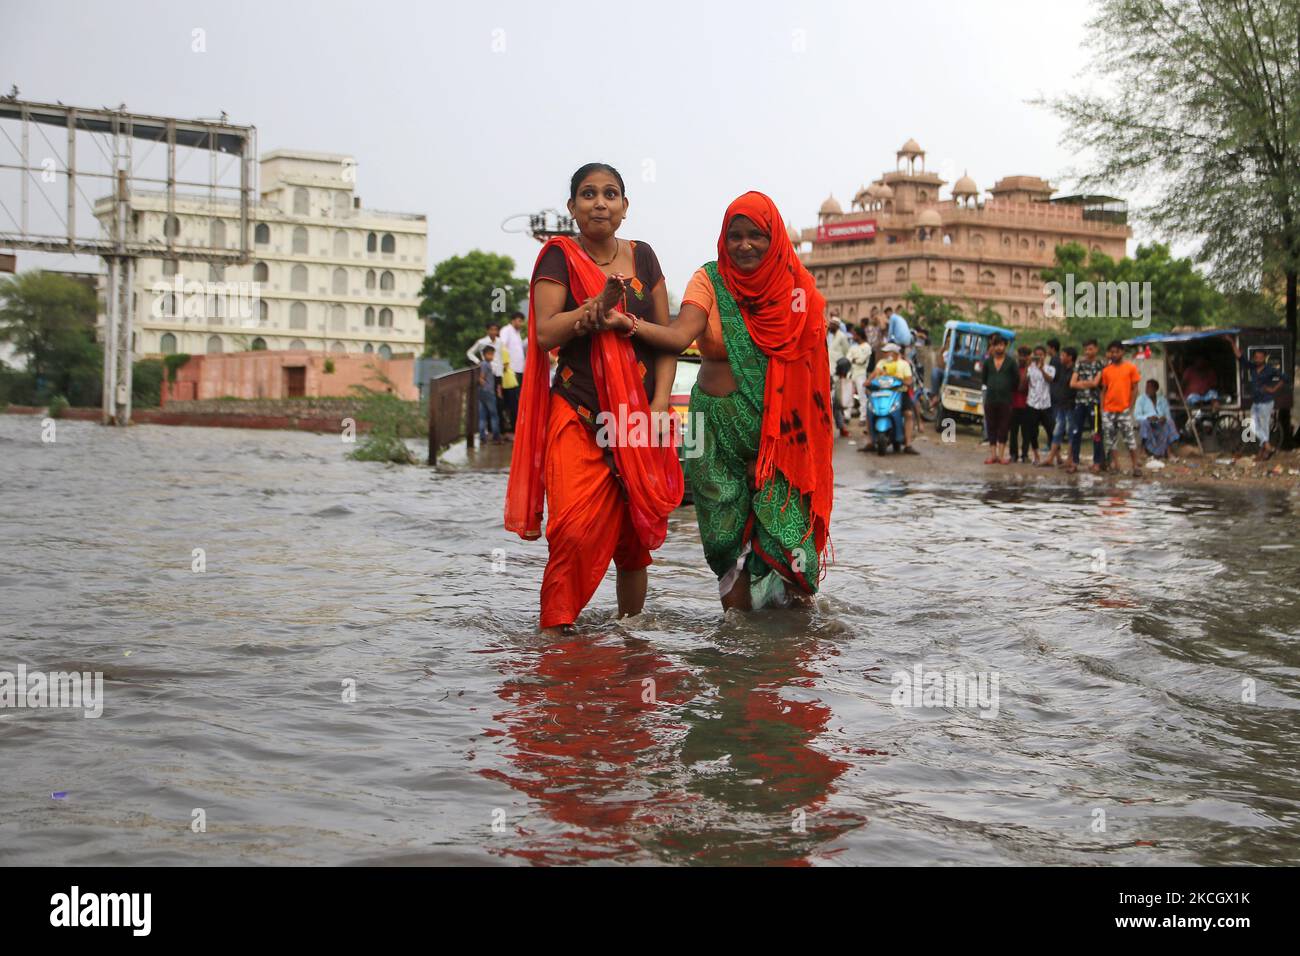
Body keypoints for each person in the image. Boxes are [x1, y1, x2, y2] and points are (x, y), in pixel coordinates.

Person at [602, 191, 833, 610]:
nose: (744, 245)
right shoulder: (709, 278)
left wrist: (771, 450)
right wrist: (626, 323)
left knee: (787, 538)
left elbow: (809, 382)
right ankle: (737, 636)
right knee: (721, 535)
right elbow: (677, 335)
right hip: (706, 427)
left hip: (777, 436)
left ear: (775, 239)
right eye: (735, 236)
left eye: (756, 236)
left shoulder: (799, 294)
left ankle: (797, 644)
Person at [504, 162, 682, 631]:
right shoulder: (558, 257)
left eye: (609, 194)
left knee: (633, 539)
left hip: (638, 419)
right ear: (572, 208)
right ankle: (558, 639)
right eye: (587, 194)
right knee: (572, 532)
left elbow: (666, 339)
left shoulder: (644, 257)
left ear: (625, 207)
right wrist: (595, 307)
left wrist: (660, 406)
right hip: (579, 414)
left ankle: (630, 636)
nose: (599, 202)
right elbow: (545, 333)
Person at [1227, 335, 1285, 461]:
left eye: (1260, 357)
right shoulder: (1252, 367)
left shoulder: (1270, 369)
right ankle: (1267, 446)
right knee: (1253, 426)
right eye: (1256, 357)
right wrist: (1232, 342)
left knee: (1263, 428)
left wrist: (1273, 389)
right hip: (1256, 402)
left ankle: (1263, 453)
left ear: (1264, 358)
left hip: (1266, 402)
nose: (1257, 359)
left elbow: (1284, 378)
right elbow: (1240, 357)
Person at [1099, 339, 1143, 476]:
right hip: (1108, 409)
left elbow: (1135, 388)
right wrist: (1102, 408)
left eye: (1117, 352)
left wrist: (1131, 405)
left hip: (1123, 409)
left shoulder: (1130, 368)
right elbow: (1103, 390)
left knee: (1129, 438)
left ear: (1122, 352)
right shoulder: (1106, 371)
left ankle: (1135, 466)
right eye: (1112, 352)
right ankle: (1115, 465)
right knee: (1110, 439)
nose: (1114, 354)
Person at [870, 342, 919, 454]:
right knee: (870, 410)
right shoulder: (881, 363)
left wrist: (900, 380)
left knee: (908, 414)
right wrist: (868, 381)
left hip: (900, 393)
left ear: (895, 353)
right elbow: (873, 375)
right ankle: (870, 441)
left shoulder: (904, 364)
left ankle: (908, 444)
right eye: (885, 352)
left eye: (888, 352)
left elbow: (909, 381)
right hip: (881, 393)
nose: (885, 354)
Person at [1069, 339, 1106, 474]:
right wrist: (1087, 383)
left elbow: (1096, 383)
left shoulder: (1100, 364)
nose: (1087, 352)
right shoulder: (1079, 363)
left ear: (1096, 349)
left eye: (1090, 349)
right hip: (1080, 402)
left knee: (1096, 433)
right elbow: (1072, 384)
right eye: (1085, 349)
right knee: (1076, 432)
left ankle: (1097, 462)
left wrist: (1082, 383)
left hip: (1094, 403)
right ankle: (1074, 462)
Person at [981, 333, 1017, 464]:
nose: (999, 347)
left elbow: (1016, 380)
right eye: (996, 345)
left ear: (1005, 346)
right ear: (993, 346)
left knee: (1003, 426)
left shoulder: (1011, 362)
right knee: (991, 426)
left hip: (1005, 399)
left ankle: (1001, 456)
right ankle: (993, 455)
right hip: (990, 399)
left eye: (1001, 345)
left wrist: (1005, 388)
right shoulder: (988, 362)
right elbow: (984, 379)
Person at [1042, 344, 1074, 467]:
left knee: (1071, 433)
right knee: (1057, 432)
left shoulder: (1074, 371)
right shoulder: (1060, 369)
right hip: (1060, 405)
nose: (1060, 357)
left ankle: (1070, 459)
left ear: (1070, 357)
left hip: (1071, 406)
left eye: (1063, 355)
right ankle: (1051, 458)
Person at [1024, 344, 1055, 465]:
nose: (1039, 357)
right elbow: (1024, 381)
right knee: (1032, 432)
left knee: (1051, 431)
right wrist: (1028, 365)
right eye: (1036, 355)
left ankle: (1054, 456)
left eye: (1041, 355)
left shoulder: (1050, 368)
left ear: (1045, 356)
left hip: (1046, 404)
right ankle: (1036, 456)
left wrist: (1041, 368)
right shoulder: (1030, 368)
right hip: (1031, 403)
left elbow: (1050, 380)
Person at [1135, 379, 1180, 458]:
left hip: (1159, 424)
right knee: (1144, 423)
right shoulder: (1141, 399)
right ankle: (1142, 450)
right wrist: (1148, 418)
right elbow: (1137, 415)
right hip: (1148, 423)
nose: (1147, 390)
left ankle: (1168, 452)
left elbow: (1168, 415)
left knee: (1169, 423)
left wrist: (1164, 418)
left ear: (1156, 389)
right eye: (1146, 387)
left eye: (1150, 388)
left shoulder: (1162, 400)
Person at [498, 311, 526, 434]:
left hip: (519, 370)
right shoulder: (506, 330)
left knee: (517, 399)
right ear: (513, 320)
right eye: (519, 321)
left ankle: (515, 427)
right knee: (511, 401)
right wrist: (505, 364)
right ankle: (511, 429)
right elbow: (502, 346)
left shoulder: (517, 333)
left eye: (522, 321)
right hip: (510, 371)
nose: (521, 323)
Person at [1009, 345, 1033, 463]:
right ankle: (1013, 454)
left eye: (1025, 356)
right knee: (1013, 432)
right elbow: (1020, 387)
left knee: (1026, 432)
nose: (1022, 358)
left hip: (1027, 405)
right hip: (1014, 404)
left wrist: (1029, 368)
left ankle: (1024, 454)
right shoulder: (1013, 369)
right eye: (1021, 355)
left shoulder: (1032, 370)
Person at [848, 325, 873, 428]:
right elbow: (848, 358)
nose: (852, 336)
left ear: (859, 335)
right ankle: (847, 416)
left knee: (862, 396)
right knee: (849, 395)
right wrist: (854, 359)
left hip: (861, 373)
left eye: (854, 334)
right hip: (852, 373)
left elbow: (861, 360)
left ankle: (863, 417)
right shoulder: (853, 347)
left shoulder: (867, 347)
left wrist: (854, 359)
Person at [478, 345, 503, 444]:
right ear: (484, 355)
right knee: (494, 415)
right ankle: (496, 436)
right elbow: (482, 377)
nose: (491, 356)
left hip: (482, 392)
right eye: (490, 354)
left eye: (492, 354)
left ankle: (482, 436)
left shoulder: (484, 364)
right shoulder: (486, 364)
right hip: (488, 392)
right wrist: (485, 384)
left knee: (483, 415)